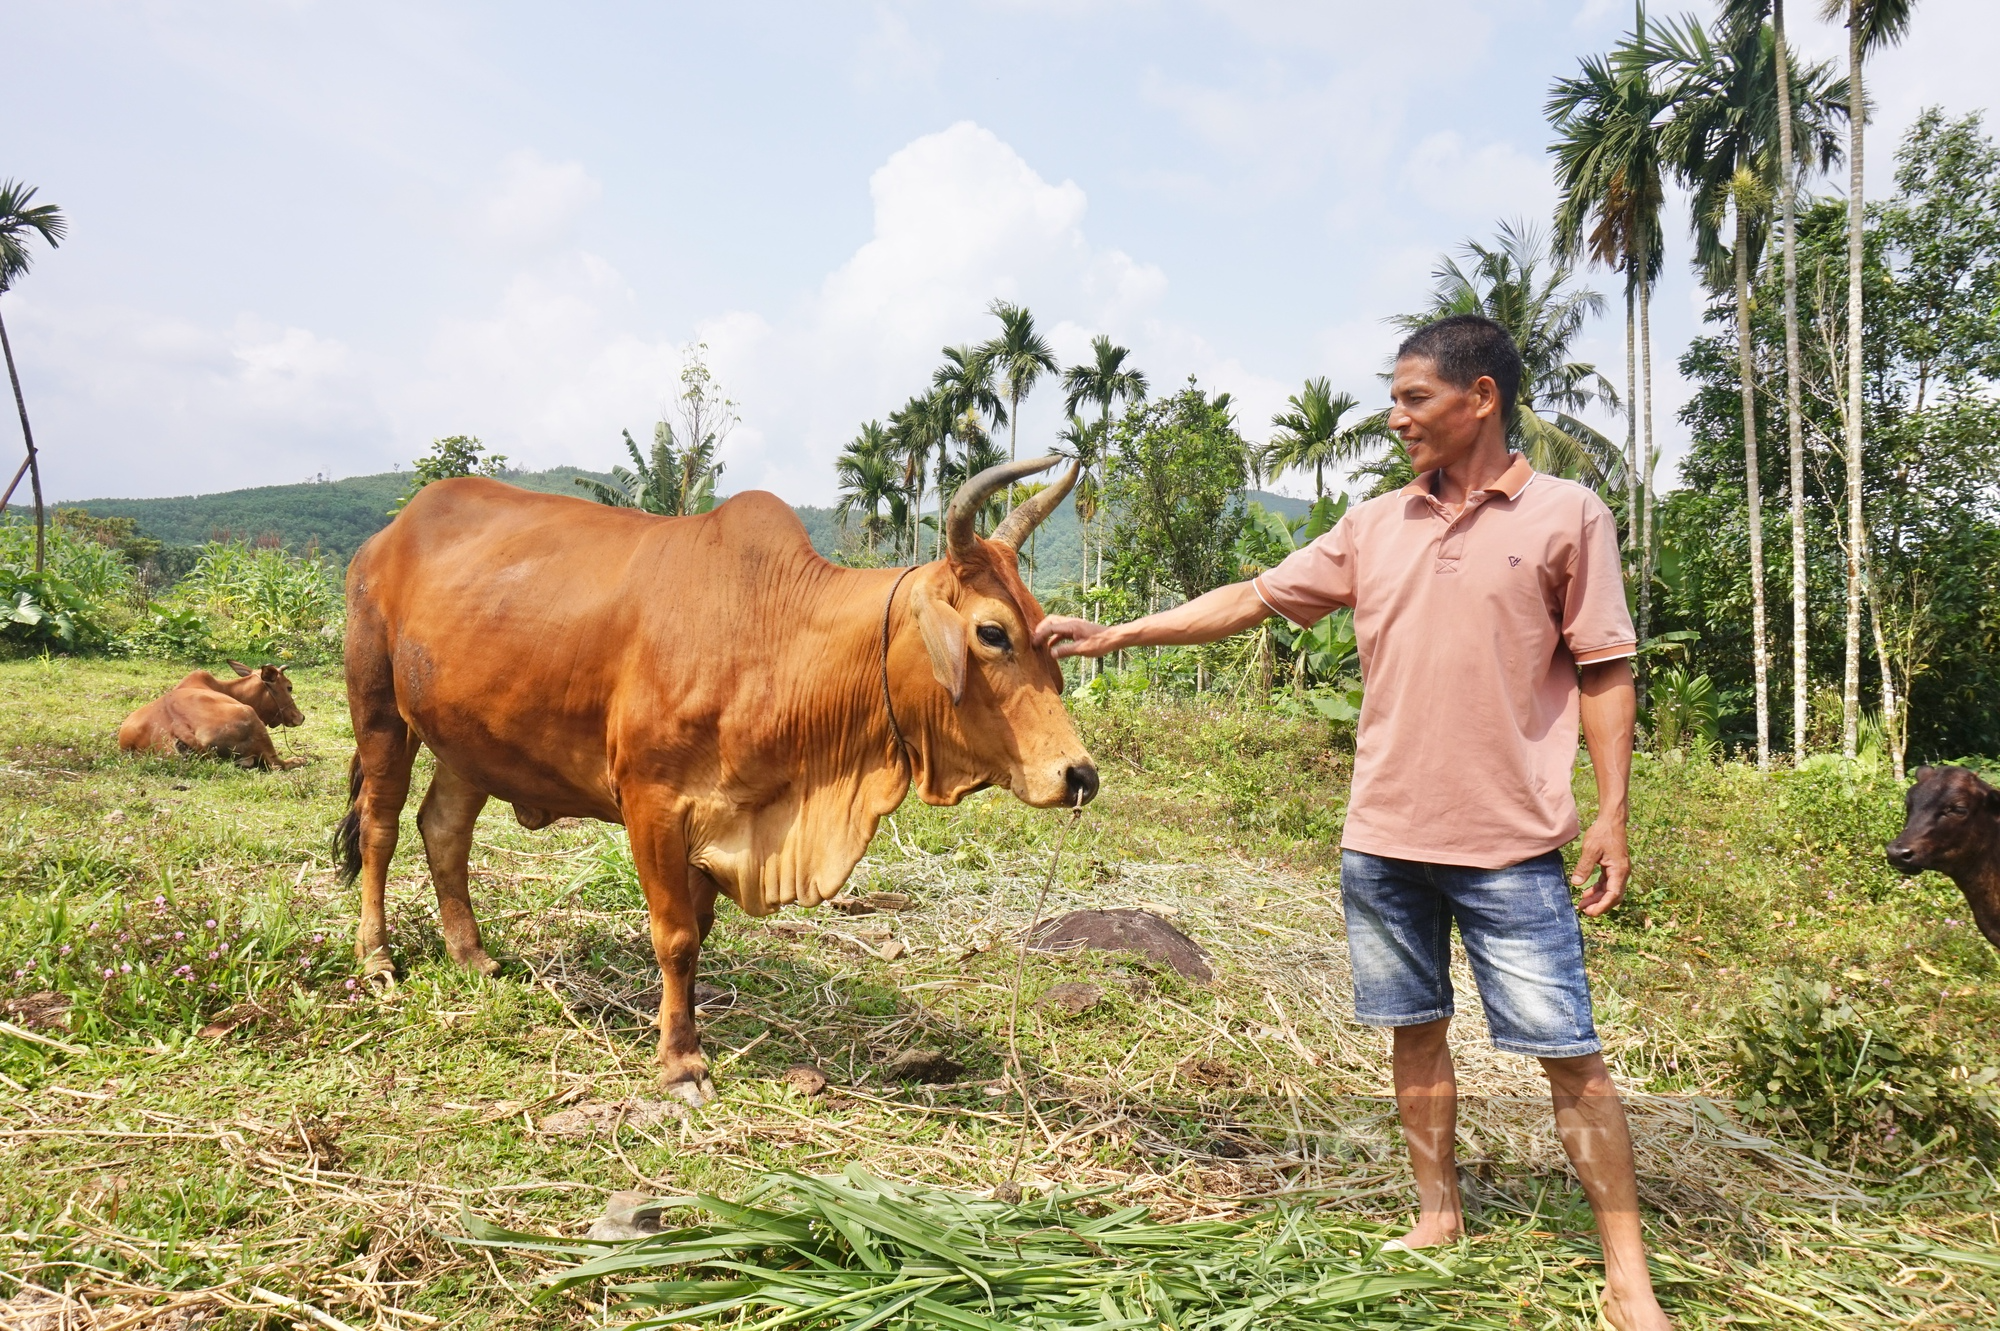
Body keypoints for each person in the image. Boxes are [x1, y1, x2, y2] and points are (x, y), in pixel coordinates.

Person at [1034, 314, 1671, 1331]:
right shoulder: (1374, 524)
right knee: (1411, 1033)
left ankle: (1627, 1274)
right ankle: (1435, 1213)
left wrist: (1612, 814)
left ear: (1480, 398)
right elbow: (1252, 595)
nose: (1396, 415)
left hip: (1509, 845)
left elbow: (1604, 667)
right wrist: (1117, 632)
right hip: (1380, 838)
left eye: (1415, 396)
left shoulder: (1565, 515)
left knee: (1568, 1053)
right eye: (1393, 395)